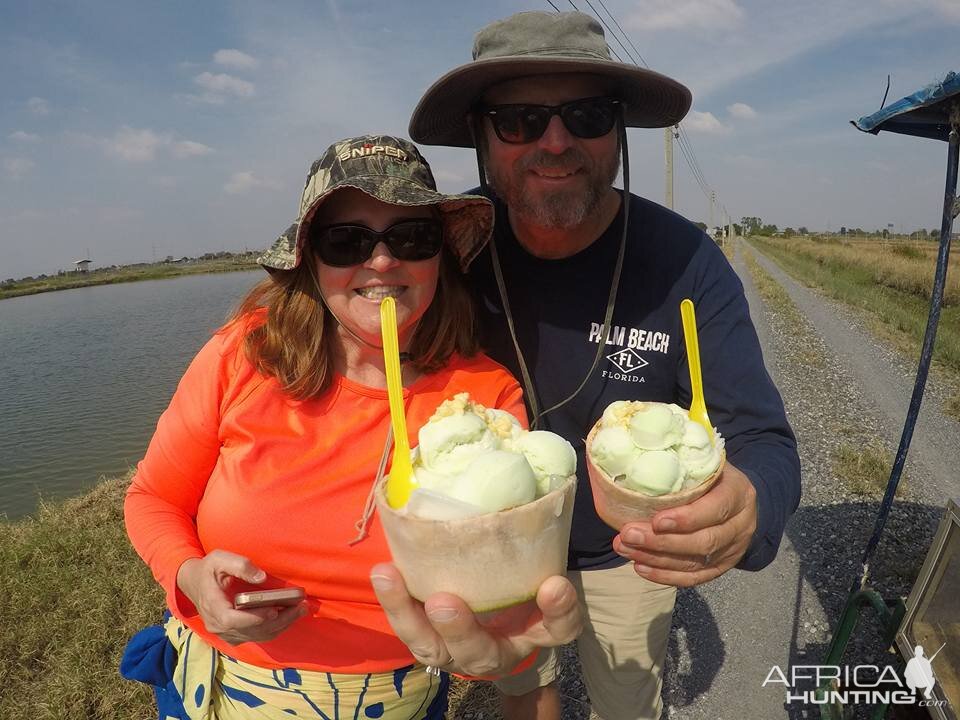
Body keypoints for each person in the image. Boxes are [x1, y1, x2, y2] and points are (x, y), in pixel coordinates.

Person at [375, 11, 802, 720]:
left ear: (620, 129)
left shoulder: (686, 262)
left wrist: (751, 508)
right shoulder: (446, 250)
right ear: (481, 134)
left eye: (587, 114)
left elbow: (763, 438)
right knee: (522, 695)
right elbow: (346, 323)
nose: (556, 140)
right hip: (492, 548)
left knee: (626, 699)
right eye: (519, 121)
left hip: (622, 554)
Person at [121, 134, 582, 720]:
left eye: (413, 237)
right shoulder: (244, 354)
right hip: (216, 691)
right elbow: (153, 497)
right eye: (347, 242)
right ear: (311, 260)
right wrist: (189, 577)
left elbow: (489, 599)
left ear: (441, 255)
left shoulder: (485, 399)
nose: (383, 262)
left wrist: (490, 648)